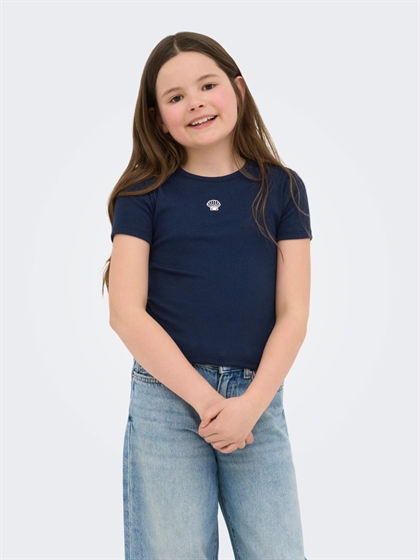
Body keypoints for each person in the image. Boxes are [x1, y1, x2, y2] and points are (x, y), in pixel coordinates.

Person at [102, 31, 312, 560]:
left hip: (256, 398)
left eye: (207, 85)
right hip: (167, 398)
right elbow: (125, 313)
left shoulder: (283, 188)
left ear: (238, 90)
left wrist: (250, 406)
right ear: (158, 119)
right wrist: (209, 403)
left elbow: (293, 312)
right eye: (176, 96)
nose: (195, 101)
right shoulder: (141, 196)